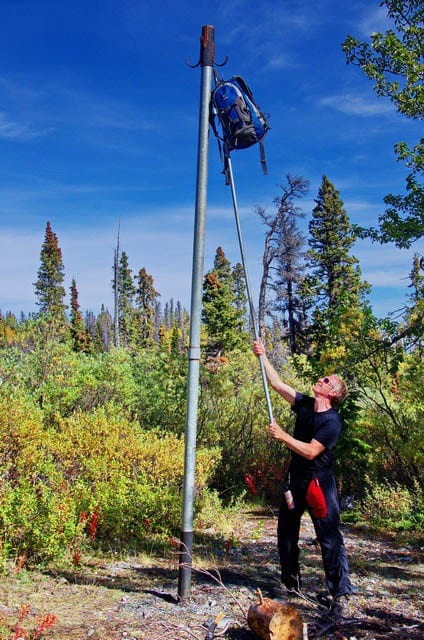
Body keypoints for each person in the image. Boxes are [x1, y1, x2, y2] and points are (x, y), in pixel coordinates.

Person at [253, 339, 352, 620]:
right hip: (295, 480)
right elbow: (277, 385)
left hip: (318, 484)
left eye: (325, 380)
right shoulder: (306, 404)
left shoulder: (333, 422)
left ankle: (340, 594)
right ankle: (290, 584)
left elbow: (311, 451)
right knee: (286, 533)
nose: (320, 379)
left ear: (332, 392)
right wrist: (263, 356)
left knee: (329, 537)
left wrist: (283, 435)